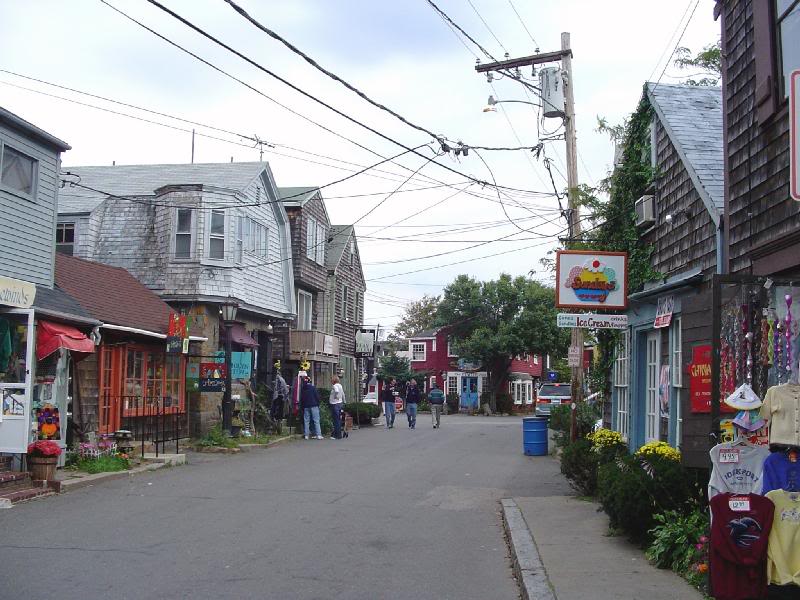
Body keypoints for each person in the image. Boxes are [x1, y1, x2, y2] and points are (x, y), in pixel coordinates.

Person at [299, 372, 323, 440]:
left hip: (306, 406)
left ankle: (306, 435)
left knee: (306, 421)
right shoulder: (313, 388)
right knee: (316, 420)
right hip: (314, 405)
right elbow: (317, 397)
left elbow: (302, 399)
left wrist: (303, 406)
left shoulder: (303, 389)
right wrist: (318, 403)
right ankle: (318, 434)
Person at [329, 375, 345, 440]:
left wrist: (335, 396)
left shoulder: (335, 386)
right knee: (338, 419)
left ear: (333, 380)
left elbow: (336, 391)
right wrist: (344, 400)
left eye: (331, 380)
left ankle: (337, 435)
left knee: (336, 420)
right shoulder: (340, 385)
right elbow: (343, 394)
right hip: (339, 403)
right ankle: (337, 434)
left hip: (334, 403)